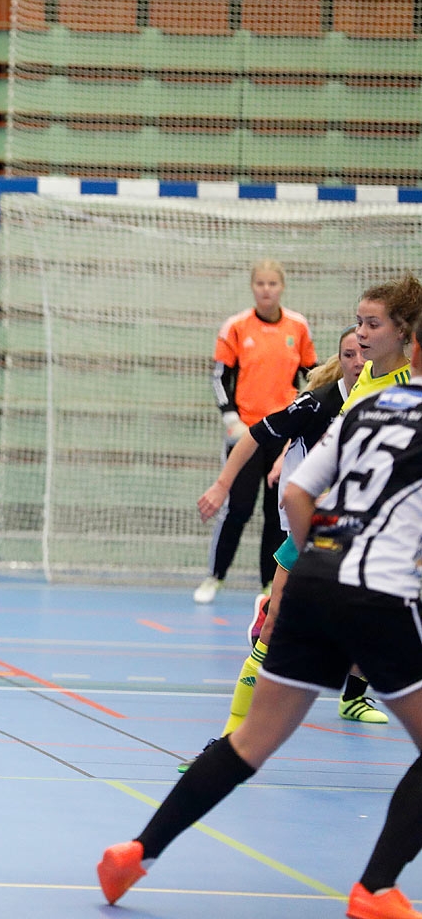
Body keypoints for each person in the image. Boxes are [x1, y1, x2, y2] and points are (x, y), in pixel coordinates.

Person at [98, 307, 422, 919]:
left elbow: (296, 492)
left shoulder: (365, 410)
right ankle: (375, 890)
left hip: (315, 575)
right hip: (375, 588)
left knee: (250, 742)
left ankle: (134, 854)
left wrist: (298, 573)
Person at [184, 328, 372, 772]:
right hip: (309, 533)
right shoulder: (317, 403)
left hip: (364, 537)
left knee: (370, 635)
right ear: (339, 358)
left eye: (363, 352)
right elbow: (254, 435)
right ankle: (229, 738)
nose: (357, 361)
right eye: (348, 353)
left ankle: (354, 696)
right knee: (274, 634)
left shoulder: (390, 402)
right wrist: (223, 483)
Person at [196, 260, 316, 603]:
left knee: (275, 512)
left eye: (273, 283)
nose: (267, 289)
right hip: (247, 432)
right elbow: (220, 376)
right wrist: (230, 417)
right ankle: (214, 576)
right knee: (239, 507)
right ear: (253, 287)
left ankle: (269, 583)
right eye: (261, 283)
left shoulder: (298, 326)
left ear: (282, 287)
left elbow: (313, 372)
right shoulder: (235, 327)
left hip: (284, 435)